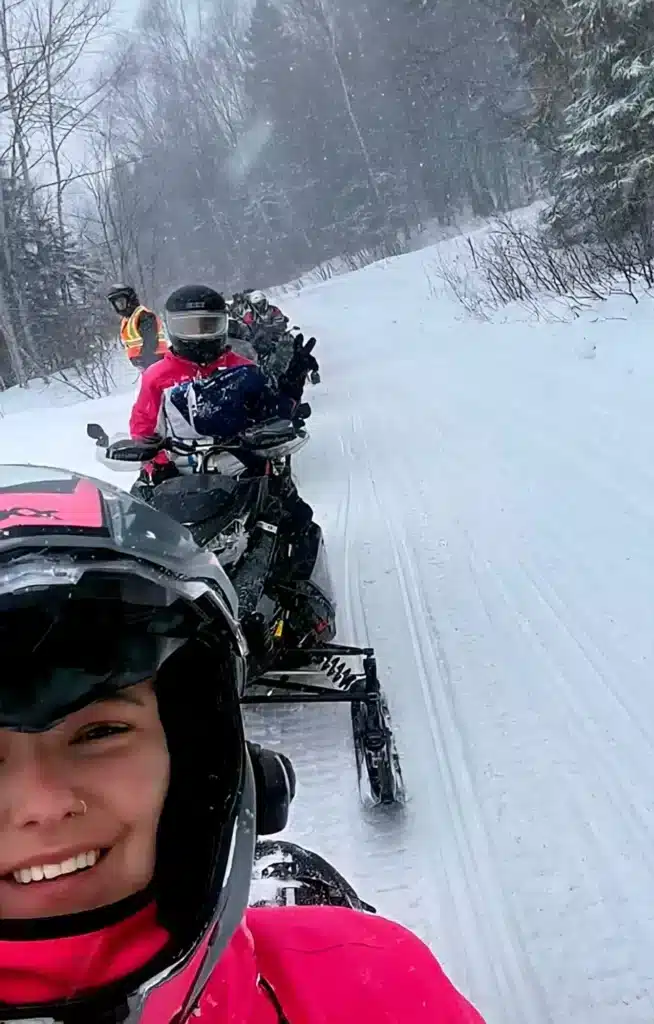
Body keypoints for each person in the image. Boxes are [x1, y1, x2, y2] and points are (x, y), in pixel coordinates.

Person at [0, 464, 487, 1023]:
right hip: (188, 473)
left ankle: (300, 607)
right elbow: (148, 421)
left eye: (101, 732)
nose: (43, 803)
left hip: (236, 473)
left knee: (288, 522)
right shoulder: (169, 382)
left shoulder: (374, 987)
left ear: (195, 761)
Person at [128, 284, 316, 486]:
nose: (199, 336)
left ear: (223, 325)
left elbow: (275, 414)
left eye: (208, 326)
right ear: (172, 327)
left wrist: (291, 384)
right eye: (189, 328)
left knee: (294, 513)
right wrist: (160, 466)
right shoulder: (157, 377)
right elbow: (143, 429)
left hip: (245, 473)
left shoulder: (244, 369)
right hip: (180, 477)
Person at [108, 284, 169, 371]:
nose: (120, 306)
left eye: (122, 302)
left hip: (156, 362)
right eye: (117, 304)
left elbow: (150, 342)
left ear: (130, 300)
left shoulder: (144, 316)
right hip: (146, 364)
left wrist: (145, 362)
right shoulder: (128, 319)